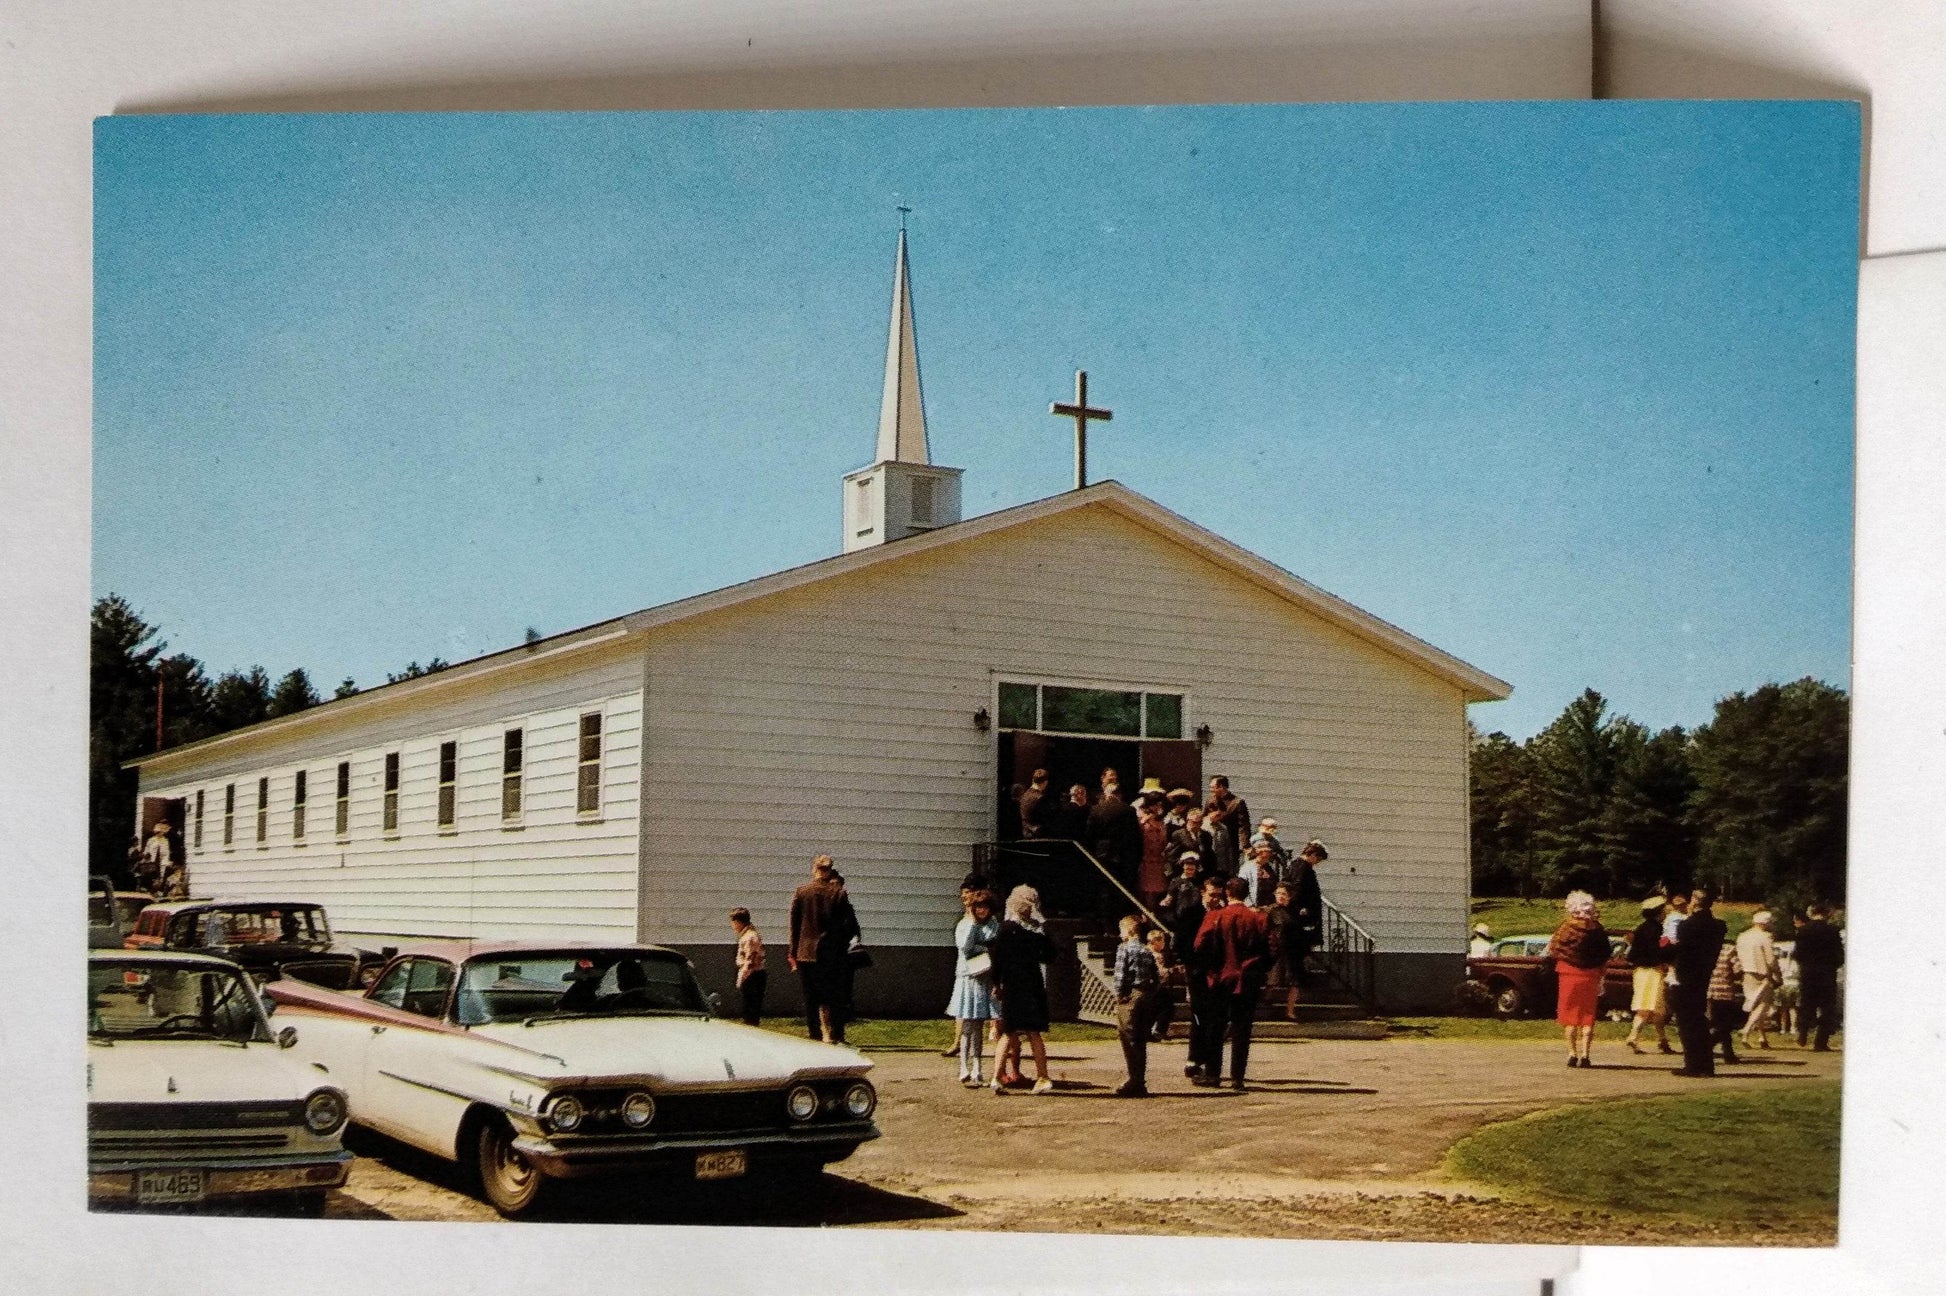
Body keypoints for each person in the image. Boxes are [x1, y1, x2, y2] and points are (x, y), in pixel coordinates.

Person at [1193, 877, 1269, 1090]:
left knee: (1215, 1026)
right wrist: (1259, 968)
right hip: (1247, 978)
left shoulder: (1215, 916)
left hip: (1220, 977)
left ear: (1228, 893)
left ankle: (1213, 1074)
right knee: (1242, 1028)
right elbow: (1271, 947)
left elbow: (1199, 945)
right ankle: (1238, 1077)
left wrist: (1210, 967)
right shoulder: (1258, 918)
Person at [989, 884, 1056, 1094]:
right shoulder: (1036, 932)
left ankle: (996, 1077)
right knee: (1033, 1032)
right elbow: (1050, 956)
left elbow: (996, 959)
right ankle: (1043, 1076)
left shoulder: (1005, 929)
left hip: (1012, 984)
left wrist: (996, 983)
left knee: (1008, 1032)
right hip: (1032, 983)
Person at [787, 855, 851, 1044]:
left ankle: (814, 1034)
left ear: (814, 869)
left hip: (805, 951)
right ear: (830, 870)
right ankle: (835, 1033)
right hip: (831, 952)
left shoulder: (801, 892)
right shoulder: (839, 893)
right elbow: (845, 926)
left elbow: (795, 925)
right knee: (833, 995)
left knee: (810, 996)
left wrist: (793, 951)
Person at [1666, 887, 1728, 1077]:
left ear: (1694, 901)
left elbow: (1682, 952)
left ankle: (1693, 1064)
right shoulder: (1718, 926)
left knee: (1687, 1023)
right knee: (1700, 1021)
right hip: (1704, 975)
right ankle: (1706, 1064)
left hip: (1686, 977)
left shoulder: (1687, 926)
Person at [1547, 890, 1610, 1068]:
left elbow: (1554, 948)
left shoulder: (1566, 928)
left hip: (1568, 973)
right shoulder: (1598, 930)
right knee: (1587, 1015)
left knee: (1570, 1016)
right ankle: (1586, 1055)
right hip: (1590, 975)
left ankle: (1572, 1053)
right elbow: (1605, 953)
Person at [947, 890, 1000, 1085]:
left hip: (984, 976)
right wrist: (982, 942)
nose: (982, 911)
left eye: (985, 907)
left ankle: (977, 1067)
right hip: (967, 977)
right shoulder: (965, 924)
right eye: (978, 907)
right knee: (967, 1025)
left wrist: (986, 946)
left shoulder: (993, 924)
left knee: (978, 1025)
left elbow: (995, 943)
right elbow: (966, 947)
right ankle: (963, 1066)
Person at [1111, 914, 1161, 1097]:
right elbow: (1156, 975)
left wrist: (1119, 995)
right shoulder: (1147, 950)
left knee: (1127, 1035)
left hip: (1131, 995)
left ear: (1129, 930)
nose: (1119, 934)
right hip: (1146, 994)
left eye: (1121, 930)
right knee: (1140, 1037)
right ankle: (1139, 1078)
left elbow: (1120, 975)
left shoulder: (1124, 949)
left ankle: (1134, 1080)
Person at [1181, 875, 1224, 1083]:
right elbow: (1183, 943)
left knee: (1213, 1018)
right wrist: (1193, 966)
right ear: (1202, 893)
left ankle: (1205, 1059)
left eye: (1218, 895)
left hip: (1216, 973)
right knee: (1198, 1016)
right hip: (1197, 972)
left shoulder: (1222, 915)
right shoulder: (1191, 913)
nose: (1215, 898)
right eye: (1211, 894)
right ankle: (1194, 1058)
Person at [1624, 896, 1675, 1055]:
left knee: (1657, 1008)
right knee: (1648, 1005)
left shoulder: (1640, 929)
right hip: (1653, 972)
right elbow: (1659, 951)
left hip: (1640, 972)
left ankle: (1663, 1041)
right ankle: (1633, 1035)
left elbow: (1631, 955)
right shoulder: (1657, 930)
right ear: (1658, 912)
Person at [1793, 903, 1844, 1051]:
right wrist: (1833, 964)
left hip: (1808, 973)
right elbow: (1839, 955)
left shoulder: (1803, 931)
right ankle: (1821, 1041)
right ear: (1826, 913)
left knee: (1806, 1004)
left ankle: (1802, 1032)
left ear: (1811, 913)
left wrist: (1805, 964)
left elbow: (1797, 954)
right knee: (1827, 1007)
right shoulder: (1833, 931)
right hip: (1827, 973)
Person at [1736, 910, 1782, 1049]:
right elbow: (1771, 959)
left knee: (1754, 1004)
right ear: (1766, 923)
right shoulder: (1765, 937)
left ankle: (1761, 1037)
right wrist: (1777, 974)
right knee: (1763, 1005)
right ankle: (1746, 1029)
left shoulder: (1742, 936)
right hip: (1762, 973)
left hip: (1747, 972)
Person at [1264, 882, 1303, 1021]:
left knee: (1294, 982)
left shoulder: (1295, 911)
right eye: (1278, 893)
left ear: (1289, 896)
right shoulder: (1270, 911)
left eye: (1284, 894)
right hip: (1276, 950)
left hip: (1293, 950)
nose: (1280, 896)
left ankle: (1290, 1011)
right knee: (1272, 981)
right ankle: (1266, 1006)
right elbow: (1265, 930)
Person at [1202, 776, 1250, 877]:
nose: (1210, 790)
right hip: (1212, 841)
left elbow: (1243, 826)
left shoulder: (1237, 803)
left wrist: (1245, 845)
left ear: (1222, 787)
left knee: (1228, 871)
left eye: (1213, 787)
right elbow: (1203, 817)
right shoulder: (1210, 800)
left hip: (1230, 843)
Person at [1706, 940, 1744, 1064]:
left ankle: (1729, 1053)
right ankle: (1707, 1045)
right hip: (1725, 992)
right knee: (1725, 1025)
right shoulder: (1729, 950)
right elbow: (1738, 970)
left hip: (1709, 991)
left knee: (1716, 1022)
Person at [729, 907, 768, 1026]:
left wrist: (742, 976)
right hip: (754, 974)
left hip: (752, 975)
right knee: (751, 1007)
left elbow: (750, 960)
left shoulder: (749, 937)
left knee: (750, 1007)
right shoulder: (748, 935)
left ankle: (751, 1027)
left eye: (733, 923)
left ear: (738, 922)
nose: (733, 927)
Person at [1146, 926, 1181, 1043]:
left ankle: (1155, 1030)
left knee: (1158, 1008)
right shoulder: (1156, 955)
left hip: (1154, 985)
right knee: (1168, 1007)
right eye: (1162, 941)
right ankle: (1159, 1030)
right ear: (1155, 941)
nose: (1164, 944)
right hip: (1155, 986)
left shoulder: (1150, 952)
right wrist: (1173, 970)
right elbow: (1159, 972)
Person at [1135, 796, 1170, 910]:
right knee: (1145, 892)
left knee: (1156, 893)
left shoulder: (1161, 822)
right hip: (1145, 860)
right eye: (1157, 805)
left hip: (1159, 860)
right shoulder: (1142, 820)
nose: (1159, 808)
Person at [1167, 807, 1212, 881]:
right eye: (1194, 822)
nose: (1197, 825)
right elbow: (1172, 856)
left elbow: (1209, 855)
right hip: (1183, 873)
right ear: (1188, 820)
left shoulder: (1206, 835)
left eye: (1200, 822)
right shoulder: (1179, 834)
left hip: (1201, 874)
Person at [1017, 769, 1056, 839]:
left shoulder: (1025, 795)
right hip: (1038, 835)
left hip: (1026, 834)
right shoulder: (1040, 798)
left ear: (1033, 780)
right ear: (1045, 782)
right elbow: (1048, 819)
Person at [140, 822, 175, 894]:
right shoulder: (151, 840)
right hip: (152, 861)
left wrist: (167, 860)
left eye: (162, 832)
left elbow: (167, 852)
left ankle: (159, 890)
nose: (160, 833)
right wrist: (145, 856)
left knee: (162, 875)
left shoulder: (165, 841)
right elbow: (147, 850)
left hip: (162, 861)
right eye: (158, 832)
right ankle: (151, 889)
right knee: (152, 875)